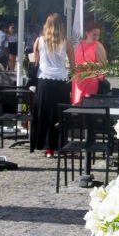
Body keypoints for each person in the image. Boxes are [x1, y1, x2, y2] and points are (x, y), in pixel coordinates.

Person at [32, 12, 73, 157]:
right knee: (59, 116)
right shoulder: (66, 42)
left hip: (44, 79)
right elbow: (73, 66)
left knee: (45, 114)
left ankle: (47, 147)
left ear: (46, 26)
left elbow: (35, 62)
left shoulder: (39, 41)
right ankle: (60, 145)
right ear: (61, 26)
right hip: (61, 81)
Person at [71, 21, 108, 105]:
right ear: (87, 33)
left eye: (98, 35)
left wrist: (89, 66)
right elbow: (73, 61)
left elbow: (104, 66)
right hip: (78, 80)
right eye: (94, 35)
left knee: (88, 104)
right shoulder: (79, 45)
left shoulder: (98, 46)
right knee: (76, 105)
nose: (96, 37)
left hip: (91, 81)